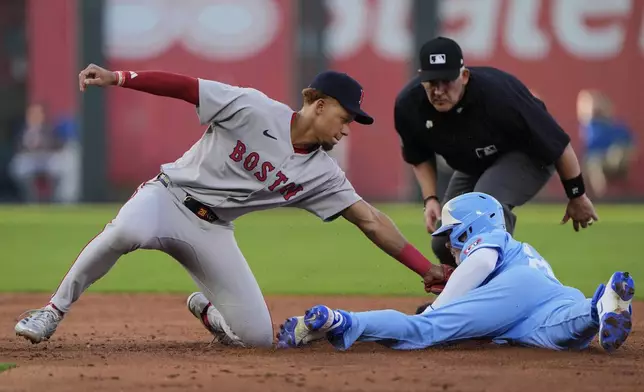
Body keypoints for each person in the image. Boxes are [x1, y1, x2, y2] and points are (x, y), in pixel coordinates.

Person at [14, 64, 450, 347]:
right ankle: (52, 310)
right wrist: (121, 79)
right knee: (125, 232)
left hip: (213, 231)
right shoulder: (254, 109)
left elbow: (370, 220)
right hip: (167, 198)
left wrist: (425, 269)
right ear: (319, 105)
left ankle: (210, 313)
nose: (348, 128)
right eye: (346, 117)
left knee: (259, 340)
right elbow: (187, 88)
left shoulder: (323, 174)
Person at [276, 192, 635, 353]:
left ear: (471, 226)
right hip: (553, 295)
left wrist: (438, 309)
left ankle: (340, 321)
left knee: (423, 329)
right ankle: (601, 305)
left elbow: (480, 263)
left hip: (516, 290)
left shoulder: (489, 237)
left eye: (450, 236)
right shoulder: (525, 250)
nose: (449, 246)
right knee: (563, 334)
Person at [393, 36, 599, 275]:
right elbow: (418, 155)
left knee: (484, 212)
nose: (438, 91)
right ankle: (457, 304)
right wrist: (430, 198)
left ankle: (501, 289)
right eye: (431, 82)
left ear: (464, 76)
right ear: (421, 79)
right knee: (445, 241)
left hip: (527, 154)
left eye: (446, 81)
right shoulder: (409, 105)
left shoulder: (499, 93)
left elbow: (559, 144)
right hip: (474, 164)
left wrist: (577, 195)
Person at [576, 89, 636, 198]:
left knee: (616, 152)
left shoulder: (619, 126)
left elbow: (632, 146)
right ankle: (604, 199)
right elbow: (584, 112)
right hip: (593, 161)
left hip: (614, 161)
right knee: (595, 163)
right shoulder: (590, 126)